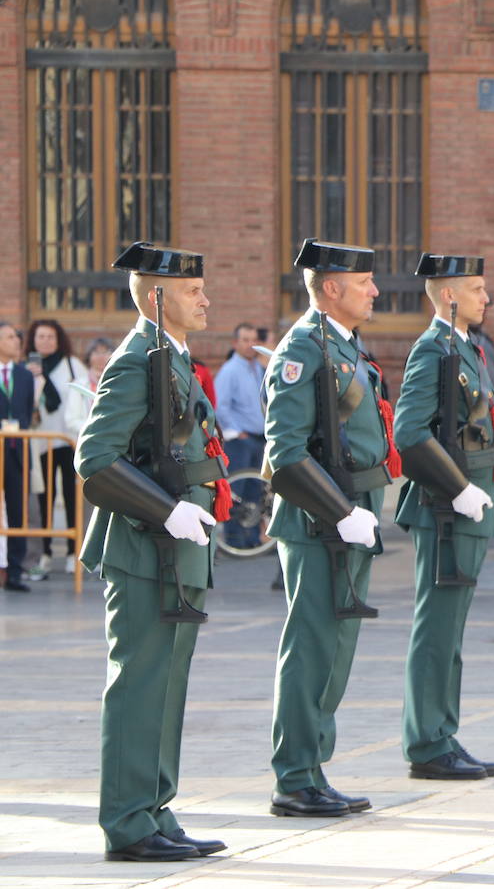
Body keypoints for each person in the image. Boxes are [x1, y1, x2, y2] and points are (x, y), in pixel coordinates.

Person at [76, 242, 227, 861]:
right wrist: (167, 509)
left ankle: (156, 809)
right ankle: (128, 822)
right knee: (140, 684)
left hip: (177, 549)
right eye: (193, 291)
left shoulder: (173, 358)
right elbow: (96, 458)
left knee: (168, 686)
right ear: (157, 295)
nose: (205, 299)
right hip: (142, 549)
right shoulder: (138, 359)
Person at [264, 238, 397, 817]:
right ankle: (294, 777)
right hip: (320, 520)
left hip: (350, 512)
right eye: (364, 281)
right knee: (312, 647)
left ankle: (313, 768)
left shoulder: (342, 344)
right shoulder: (304, 348)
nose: (374, 290)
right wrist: (342, 515)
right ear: (332, 287)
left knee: (335, 649)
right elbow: (286, 452)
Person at [394, 253, 494, 781]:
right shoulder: (432, 351)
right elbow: (410, 433)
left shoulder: (466, 348)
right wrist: (459, 490)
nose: (487, 298)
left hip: (466, 504)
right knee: (437, 628)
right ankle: (426, 742)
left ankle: (443, 733)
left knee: (452, 629)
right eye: (478, 289)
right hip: (445, 508)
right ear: (449, 296)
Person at [26, 318, 87, 578]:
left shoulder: (72, 365)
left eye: (51, 337)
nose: (46, 341)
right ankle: (46, 553)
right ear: (33, 340)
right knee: (44, 499)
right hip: (41, 441)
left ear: (59, 339)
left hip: (69, 440)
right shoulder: (28, 366)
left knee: (72, 497)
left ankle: (75, 552)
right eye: (41, 337)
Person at [214, 323, 268, 549]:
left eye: (253, 340)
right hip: (240, 441)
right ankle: (235, 539)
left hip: (259, 439)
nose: (249, 345)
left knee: (256, 493)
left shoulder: (258, 368)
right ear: (235, 343)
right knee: (237, 492)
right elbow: (221, 406)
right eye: (245, 340)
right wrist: (238, 432)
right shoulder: (230, 370)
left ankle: (252, 538)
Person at [0, 322, 35, 591]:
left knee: (17, 510)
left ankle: (15, 570)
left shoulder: (24, 375)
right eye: (10, 337)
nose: (16, 341)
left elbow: (27, 411)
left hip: (16, 450)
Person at [64, 338, 114, 436]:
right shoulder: (79, 385)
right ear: (89, 356)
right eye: (96, 352)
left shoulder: (118, 383)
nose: (101, 357)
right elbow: (71, 420)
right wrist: (94, 429)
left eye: (105, 352)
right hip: (86, 440)